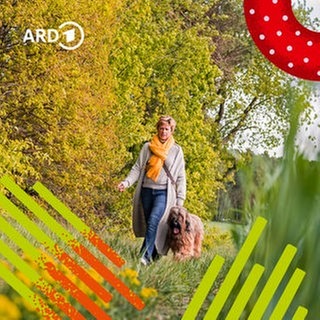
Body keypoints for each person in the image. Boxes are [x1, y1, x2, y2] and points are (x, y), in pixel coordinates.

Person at [118, 115, 186, 265]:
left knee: (155, 220)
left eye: (166, 129)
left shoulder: (176, 150)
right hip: (146, 191)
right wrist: (126, 182)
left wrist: (180, 199)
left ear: (171, 131)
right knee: (151, 224)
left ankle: (144, 256)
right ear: (157, 129)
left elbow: (181, 176)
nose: (163, 132)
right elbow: (137, 168)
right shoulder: (147, 147)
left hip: (164, 193)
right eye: (161, 128)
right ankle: (152, 256)